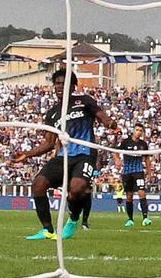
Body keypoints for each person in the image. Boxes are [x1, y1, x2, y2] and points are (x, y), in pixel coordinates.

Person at [12, 69, 118, 240]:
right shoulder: (53, 113)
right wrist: (27, 154)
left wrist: (111, 125)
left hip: (85, 154)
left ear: (73, 86)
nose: (60, 86)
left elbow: (102, 117)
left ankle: (74, 218)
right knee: (38, 184)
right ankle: (47, 230)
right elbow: (49, 143)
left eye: (64, 83)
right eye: (57, 83)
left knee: (76, 189)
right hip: (64, 156)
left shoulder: (84, 101)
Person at [116, 123, 153, 228]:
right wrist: (117, 159)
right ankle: (130, 219)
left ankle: (145, 218)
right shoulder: (126, 142)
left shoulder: (143, 144)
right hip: (127, 172)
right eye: (137, 130)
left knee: (142, 192)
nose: (138, 132)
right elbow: (114, 151)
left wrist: (149, 172)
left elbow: (147, 159)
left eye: (140, 130)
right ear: (133, 131)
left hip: (138, 171)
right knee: (129, 196)